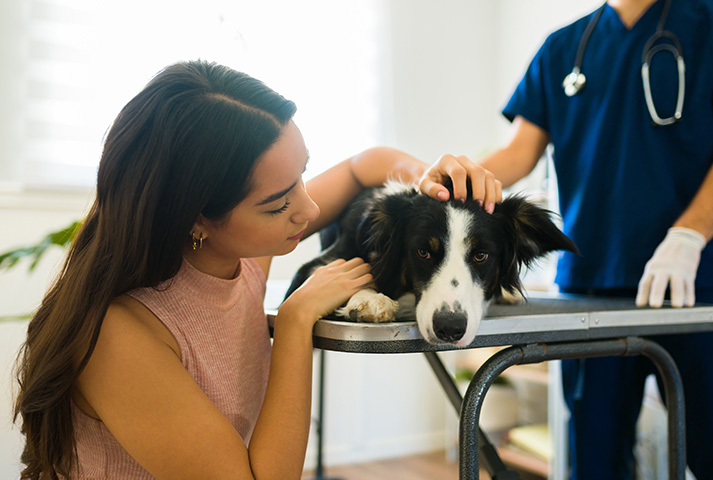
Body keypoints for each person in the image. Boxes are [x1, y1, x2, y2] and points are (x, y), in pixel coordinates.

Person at [12, 60, 501, 480]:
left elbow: (362, 166)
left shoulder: (238, 258)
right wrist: (295, 321)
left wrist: (430, 179)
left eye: (303, 174)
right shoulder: (120, 335)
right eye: (276, 204)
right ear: (196, 219)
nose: (309, 210)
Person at [421, 0, 713, 478]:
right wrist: (454, 177)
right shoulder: (564, 48)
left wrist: (688, 236)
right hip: (591, 282)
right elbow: (518, 152)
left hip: (700, 277)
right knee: (592, 459)